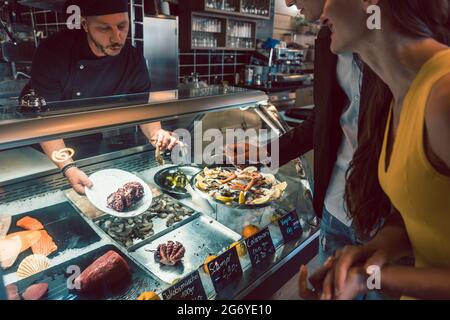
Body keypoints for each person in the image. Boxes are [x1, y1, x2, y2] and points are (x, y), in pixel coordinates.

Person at [299, 0, 450, 300]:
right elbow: (426, 214)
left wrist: (374, 278)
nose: (324, 10)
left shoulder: (443, 96)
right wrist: (373, 251)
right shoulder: (401, 95)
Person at [229, 0, 391, 266]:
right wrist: (267, 152)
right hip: (335, 206)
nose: (289, 2)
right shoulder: (329, 37)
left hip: (389, 223)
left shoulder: (397, 42)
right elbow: (323, 118)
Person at [24, 0, 176, 194]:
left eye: (122, 26)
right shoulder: (53, 52)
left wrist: (157, 134)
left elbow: (141, 109)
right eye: (104, 28)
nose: (117, 37)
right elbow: (44, 121)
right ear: (85, 25)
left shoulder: (133, 58)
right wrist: (68, 167)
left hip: (89, 137)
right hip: (44, 150)